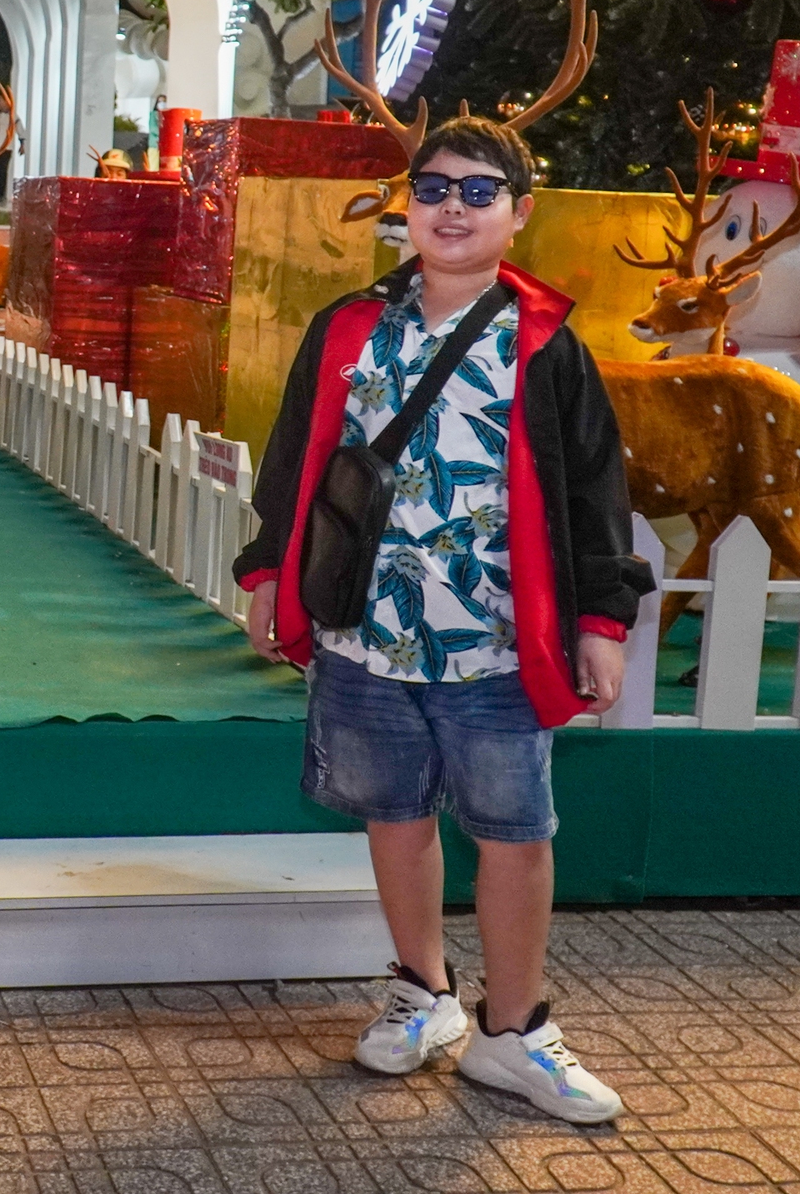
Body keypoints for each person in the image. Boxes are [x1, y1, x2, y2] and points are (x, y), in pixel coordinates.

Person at [232, 115, 652, 1126]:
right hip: (363, 631)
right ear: (405, 203)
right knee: (394, 810)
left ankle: (512, 1032)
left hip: (497, 641)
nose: (452, 208)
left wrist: (601, 615)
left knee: (513, 830)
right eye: (433, 188)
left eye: (478, 191)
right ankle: (422, 994)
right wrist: (263, 568)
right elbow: (297, 453)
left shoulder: (545, 344)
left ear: (519, 212)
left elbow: (595, 486)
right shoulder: (346, 327)